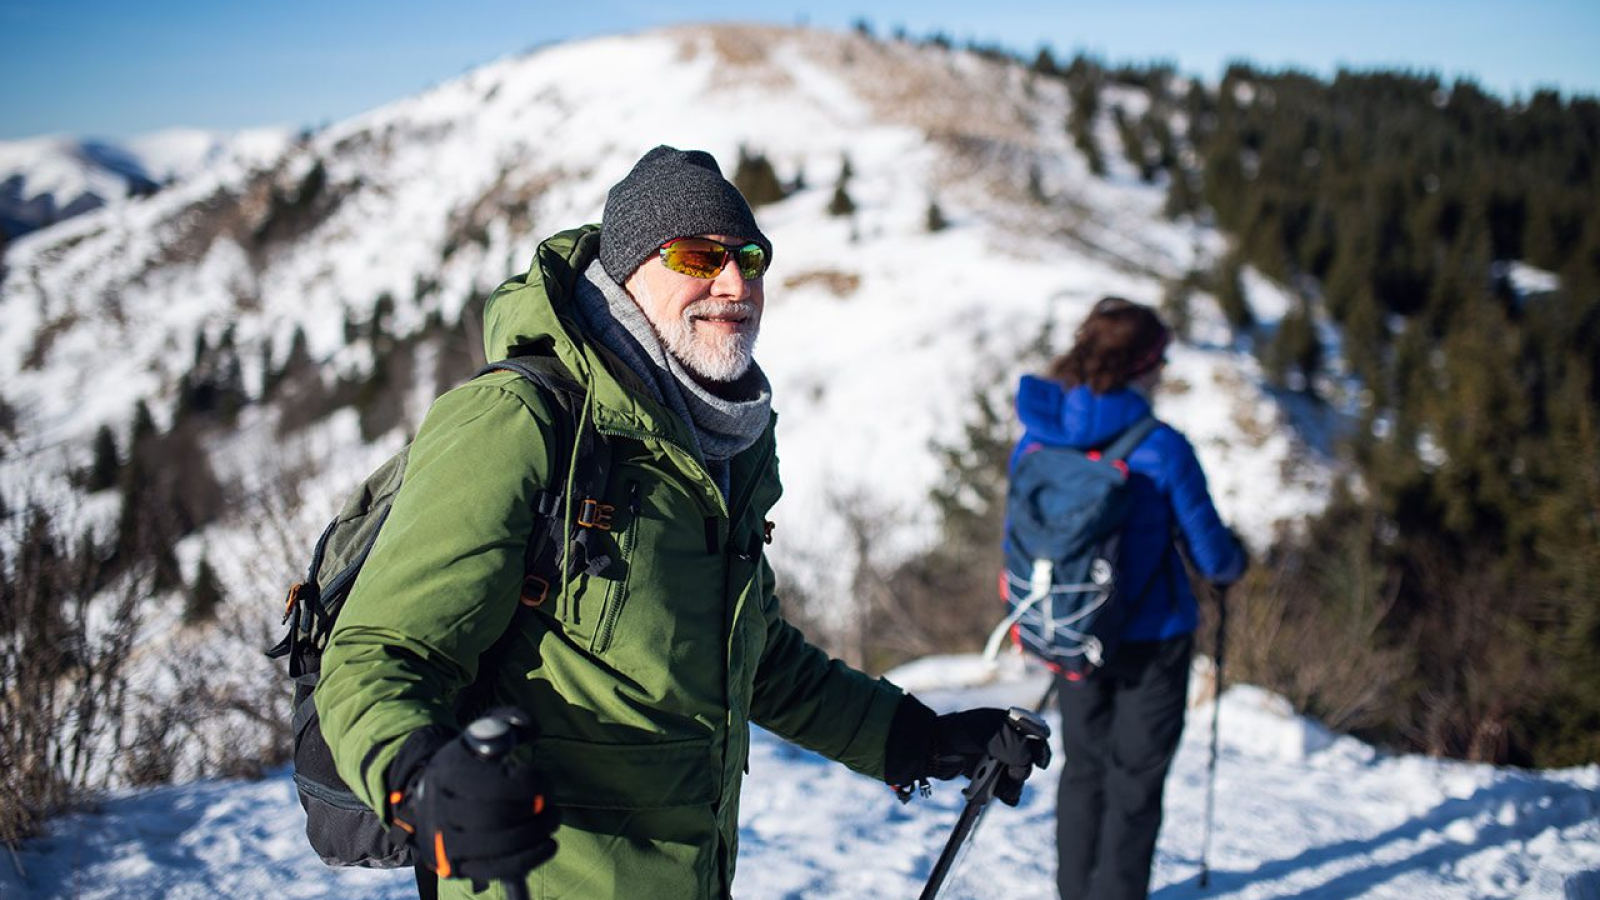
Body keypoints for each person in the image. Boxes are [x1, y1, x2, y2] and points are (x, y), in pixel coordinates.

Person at [314, 145, 1048, 900]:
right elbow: (379, 650)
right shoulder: (522, 422)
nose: (734, 283)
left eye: (750, 258)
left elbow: (757, 661)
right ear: (629, 273)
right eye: (698, 256)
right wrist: (420, 778)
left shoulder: (722, 444)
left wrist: (916, 737)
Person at [1011, 297, 1246, 900]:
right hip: (1153, 637)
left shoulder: (1036, 437)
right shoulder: (1162, 446)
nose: (1164, 371)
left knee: (1083, 770)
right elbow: (1214, 558)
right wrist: (1236, 558)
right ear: (1143, 364)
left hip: (1071, 629)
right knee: (1135, 782)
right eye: (1162, 359)